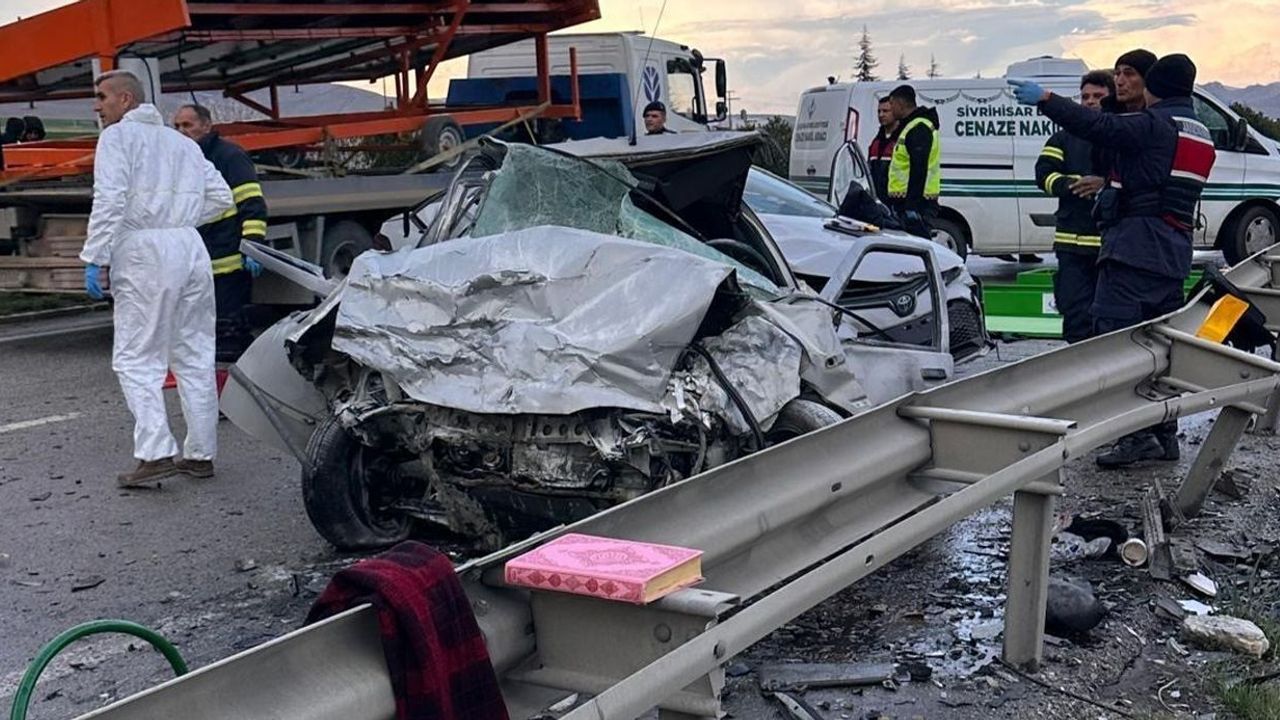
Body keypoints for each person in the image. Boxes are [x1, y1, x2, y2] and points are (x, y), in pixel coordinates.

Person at [1011, 54, 1216, 468]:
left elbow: (1100, 129)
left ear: (1155, 86)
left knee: (1117, 342)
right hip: (1172, 250)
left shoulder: (1155, 125)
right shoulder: (1199, 132)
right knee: (1160, 346)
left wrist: (1047, 99)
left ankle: (1136, 435)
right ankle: (1164, 433)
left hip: (1134, 250)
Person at [81, 70, 234, 486]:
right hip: (189, 247)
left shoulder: (117, 138)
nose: (97, 105)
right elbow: (222, 198)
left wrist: (96, 256)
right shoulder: (182, 143)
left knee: (137, 357)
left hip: (144, 251)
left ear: (125, 99)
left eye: (102, 97)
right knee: (195, 354)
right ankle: (200, 454)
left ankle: (155, 452)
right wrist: (181, 220)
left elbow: (110, 199)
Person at [173, 103, 267, 363]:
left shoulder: (229, 156)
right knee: (205, 323)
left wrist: (253, 244)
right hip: (198, 253)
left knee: (229, 321)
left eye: (187, 125)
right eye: (177, 126)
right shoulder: (179, 159)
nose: (181, 131)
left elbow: (251, 203)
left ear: (206, 125)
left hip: (227, 252)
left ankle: (238, 368)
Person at [1034, 70, 1115, 343]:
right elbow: (1043, 175)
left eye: (1098, 96)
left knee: (1109, 319)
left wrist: (1103, 184)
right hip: (1071, 246)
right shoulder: (1063, 138)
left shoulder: (1120, 135)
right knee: (1075, 315)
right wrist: (1070, 184)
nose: (1090, 101)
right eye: (1085, 97)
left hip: (1110, 247)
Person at [884, 84, 940, 239]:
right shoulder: (911, 125)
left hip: (917, 205)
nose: (891, 108)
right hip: (910, 202)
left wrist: (911, 208)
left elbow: (919, 169)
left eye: (892, 104)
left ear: (901, 104)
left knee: (917, 246)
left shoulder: (918, 128)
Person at [867, 96, 899, 200]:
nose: (881, 115)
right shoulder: (876, 142)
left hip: (897, 199)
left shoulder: (902, 139)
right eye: (879, 111)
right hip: (877, 198)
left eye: (885, 111)